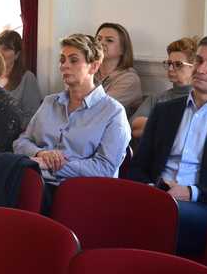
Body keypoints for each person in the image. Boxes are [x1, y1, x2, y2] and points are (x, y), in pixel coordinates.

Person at [129, 34, 207, 255]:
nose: (201, 69)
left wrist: (191, 192)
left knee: (165, 217)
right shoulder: (165, 110)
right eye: (199, 60)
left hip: (201, 204)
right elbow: (137, 166)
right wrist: (150, 188)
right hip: (155, 195)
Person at [13, 34, 131, 184]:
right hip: (35, 183)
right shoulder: (50, 102)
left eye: (73, 60)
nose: (64, 65)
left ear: (94, 66)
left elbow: (104, 168)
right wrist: (41, 153)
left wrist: (48, 165)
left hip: (81, 192)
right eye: (62, 60)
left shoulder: (113, 112)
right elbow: (21, 142)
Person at [130, 37, 196, 140]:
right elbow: (134, 127)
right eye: (169, 63)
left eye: (178, 64)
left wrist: (154, 124)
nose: (170, 68)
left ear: (194, 67)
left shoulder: (200, 100)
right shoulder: (156, 98)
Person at [0, 29, 42, 129]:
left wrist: (5, 125)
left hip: (14, 139)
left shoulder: (27, 78)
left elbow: (32, 118)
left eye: (6, 49)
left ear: (17, 55)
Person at [95, 22, 143, 115]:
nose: (101, 43)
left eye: (109, 40)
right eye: (98, 39)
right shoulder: (89, 72)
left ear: (123, 49)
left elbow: (100, 108)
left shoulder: (129, 79)